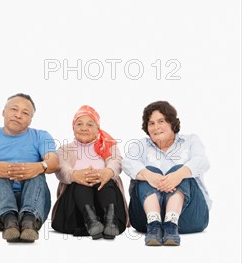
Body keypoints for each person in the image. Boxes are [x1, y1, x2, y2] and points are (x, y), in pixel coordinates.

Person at [0, 93, 58, 243]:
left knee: (37, 172)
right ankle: (9, 220)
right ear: (3, 111)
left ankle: (28, 221)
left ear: (30, 120)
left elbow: (53, 162)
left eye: (25, 113)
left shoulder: (41, 136)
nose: (18, 115)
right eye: (14, 109)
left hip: (35, 201)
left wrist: (39, 166)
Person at [123, 101, 210, 246]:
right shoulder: (141, 145)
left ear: (171, 122)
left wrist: (177, 176)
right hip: (145, 220)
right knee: (148, 171)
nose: (156, 127)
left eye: (161, 121)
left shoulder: (190, 140)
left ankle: (171, 223)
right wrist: (150, 176)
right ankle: (154, 223)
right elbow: (127, 163)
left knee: (180, 170)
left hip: (188, 217)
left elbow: (202, 161)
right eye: (151, 123)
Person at [51, 105, 128, 240]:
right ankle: (91, 222)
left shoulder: (108, 145)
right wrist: (75, 175)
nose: (84, 128)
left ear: (98, 129)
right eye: (79, 124)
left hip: (105, 200)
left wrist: (107, 172)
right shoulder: (64, 149)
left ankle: (110, 222)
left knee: (107, 180)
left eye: (90, 124)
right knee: (80, 181)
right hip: (75, 210)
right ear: (73, 128)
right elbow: (61, 169)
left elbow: (117, 161)